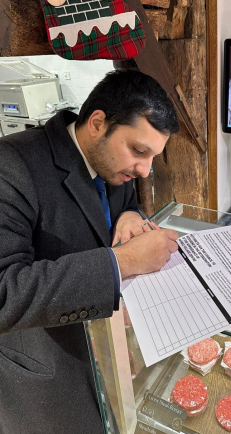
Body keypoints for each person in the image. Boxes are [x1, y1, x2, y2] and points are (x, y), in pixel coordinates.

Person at [0, 70, 180, 434]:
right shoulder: (11, 165)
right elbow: (5, 291)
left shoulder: (111, 162)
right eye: (138, 151)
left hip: (111, 355)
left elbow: (123, 202)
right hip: (51, 380)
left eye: (152, 156)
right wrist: (124, 261)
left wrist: (131, 214)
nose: (145, 171)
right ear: (98, 123)